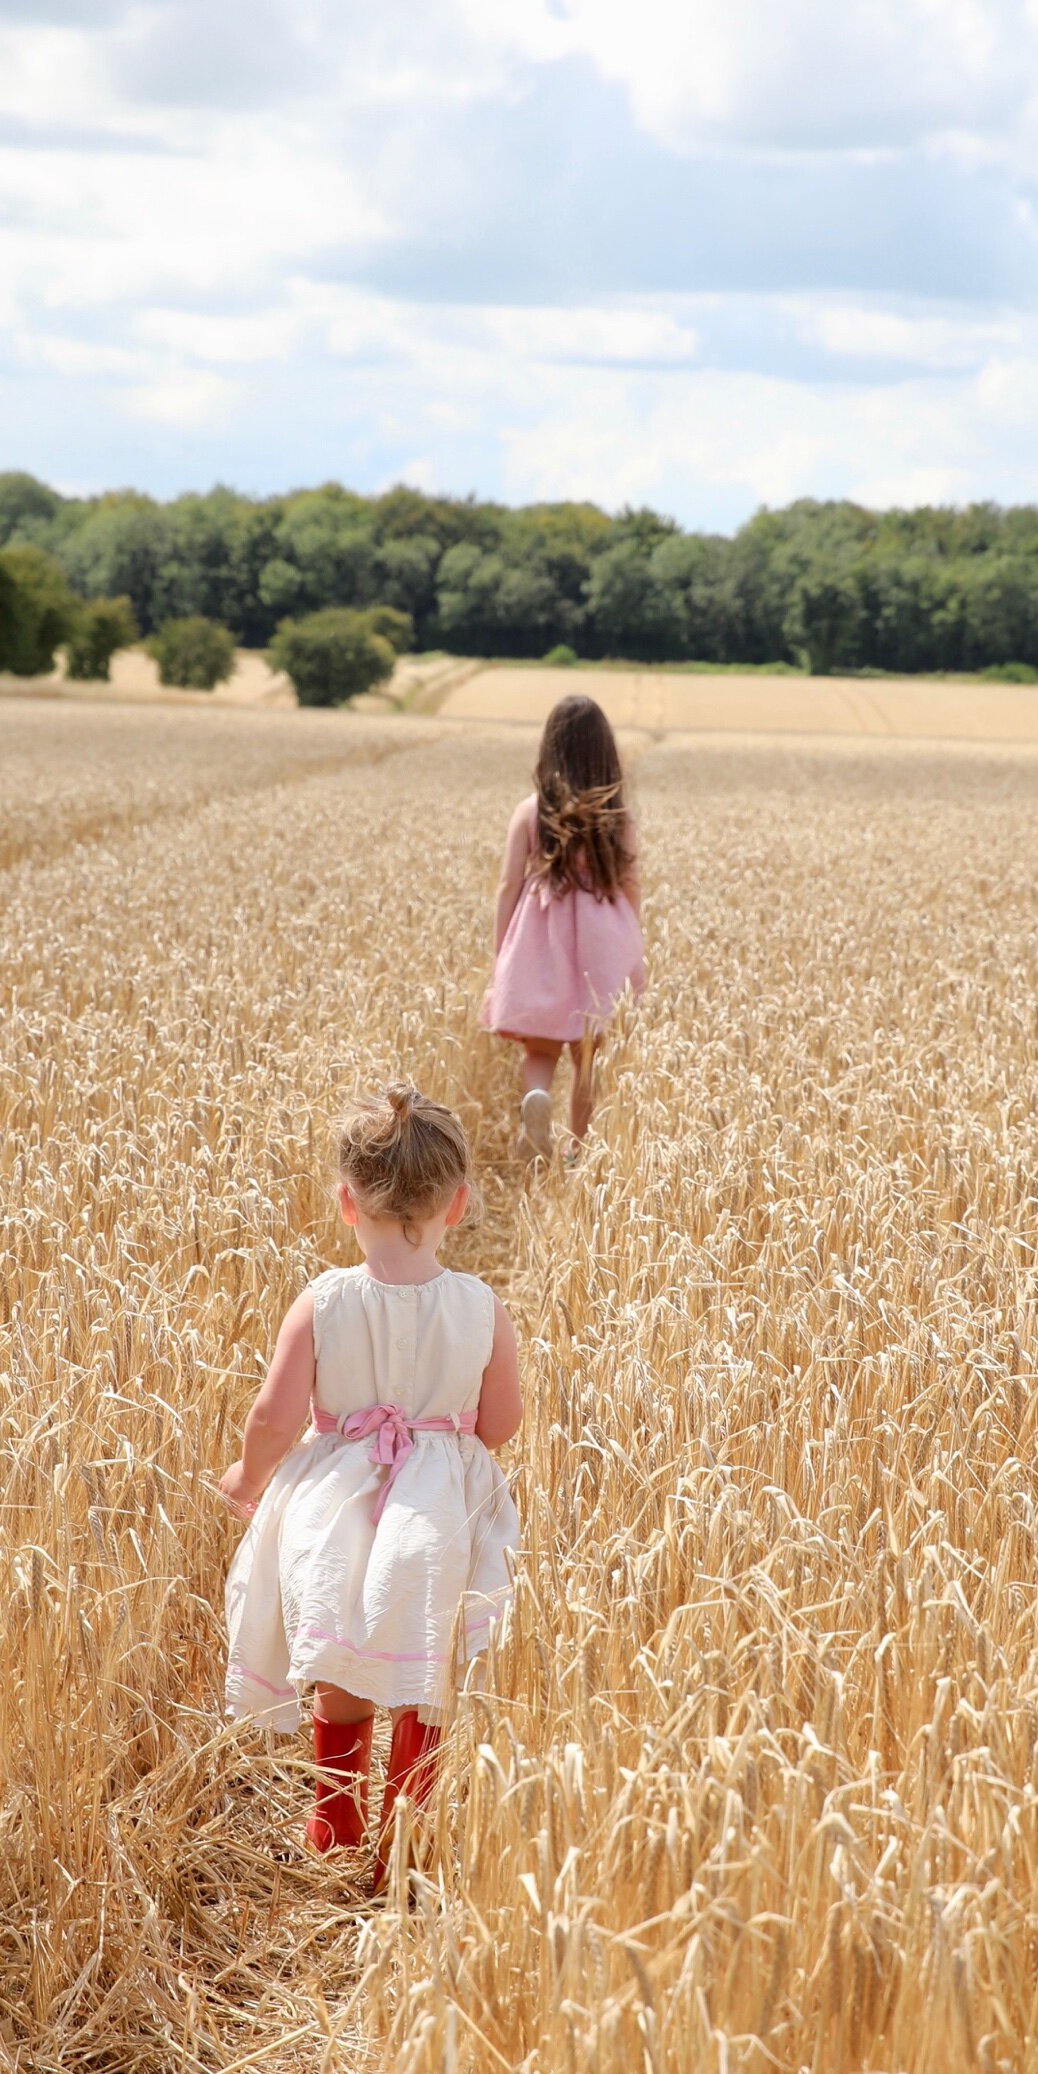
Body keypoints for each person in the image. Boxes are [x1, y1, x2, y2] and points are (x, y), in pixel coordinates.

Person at [220, 1082, 522, 1889]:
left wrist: (247, 1479)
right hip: (440, 1514)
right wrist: (437, 1425)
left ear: (347, 1202)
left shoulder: (323, 1302)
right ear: (457, 1205)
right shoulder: (483, 1308)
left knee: (345, 1655)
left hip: (333, 1507)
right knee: (424, 1669)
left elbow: (272, 1417)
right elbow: (499, 1425)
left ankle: (334, 1814)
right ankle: (404, 1839)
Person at [482, 692, 645, 1160]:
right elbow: (631, 886)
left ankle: (538, 1099)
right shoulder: (618, 815)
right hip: (603, 940)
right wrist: (635, 944)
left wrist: (503, 957)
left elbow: (508, 884)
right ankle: (578, 1148)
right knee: (589, 1055)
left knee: (540, 1047)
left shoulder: (531, 810)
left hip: (541, 935)